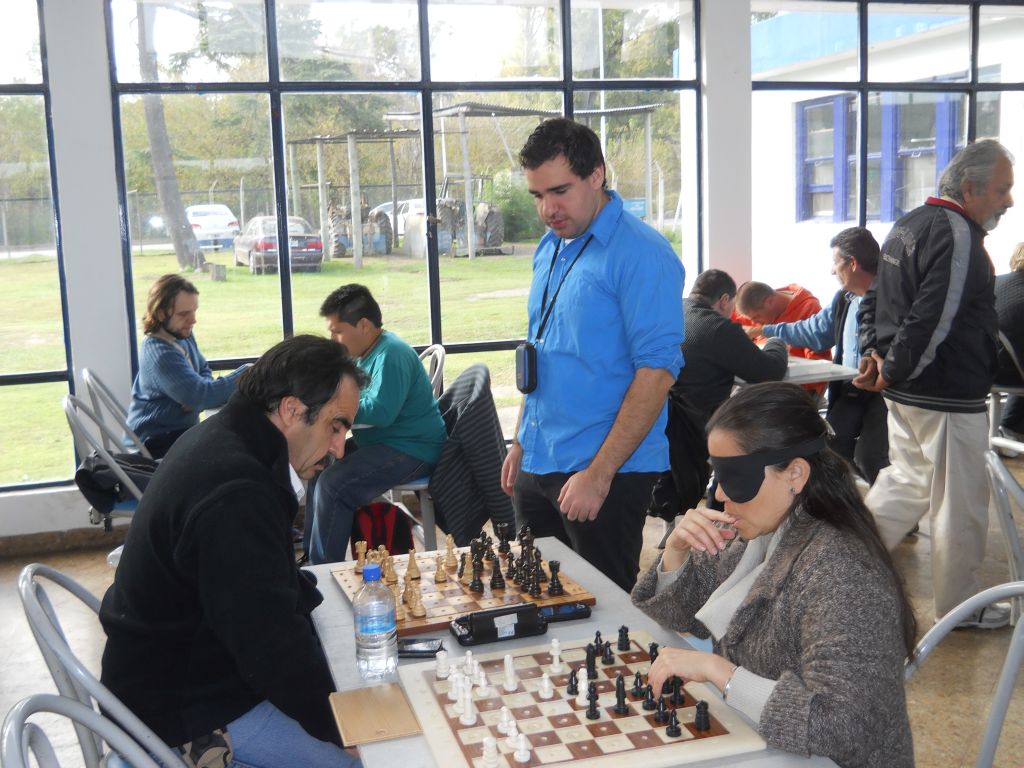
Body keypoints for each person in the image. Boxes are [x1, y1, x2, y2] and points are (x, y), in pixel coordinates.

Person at [100, 335, 365, 767]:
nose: (339, 448)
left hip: (170, 678)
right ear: (291, 410)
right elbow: (271, 649)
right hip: (180, 718)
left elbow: (262, 598)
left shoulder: (226, 438)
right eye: (335, 427)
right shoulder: (238, 491)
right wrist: (345, 728)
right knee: (373, 756)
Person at [632, 382, 915, 768]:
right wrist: (677, 552)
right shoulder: (758, 531)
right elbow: (677, 616)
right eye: (718, 475)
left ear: (795, 473)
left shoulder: (843, 573)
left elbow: (842, 728)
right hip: (760, 742)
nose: (721, 495)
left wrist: (721, 673)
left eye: (735, 478)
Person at [501, 117, 684, 593]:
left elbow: (657, 373)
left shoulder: (642, 253)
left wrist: (599, 475)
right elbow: (539, 350)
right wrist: (521, 441)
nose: (548, 209)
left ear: (597, 175)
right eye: (537, 195)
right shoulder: (551, 247)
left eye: (559, 191)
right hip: (540, 456)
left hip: (604, 470)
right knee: (538, 596)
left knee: (603, 609)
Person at [855, 139, 1015, 627]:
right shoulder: (957, 234)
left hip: (909, 392)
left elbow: (873, 301)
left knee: (905, 484)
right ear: (969, 188)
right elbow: (934, 318)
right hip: (943, 393)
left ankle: (841, 568)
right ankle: (961, 607)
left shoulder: (907, 225)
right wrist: (890, 368)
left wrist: (876, 357)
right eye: (1001, 190)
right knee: (959, 505)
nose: (1008, 201)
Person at [308, 284, 446, 564]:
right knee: (317, 463)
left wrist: (332, 410)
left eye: (337, 331)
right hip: (385, 441)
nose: (333, 339)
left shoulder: (391, 354)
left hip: (413, 449)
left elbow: (381, 412)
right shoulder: (366, 353)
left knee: (333, 485)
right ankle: (312, 561)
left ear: (363, 325)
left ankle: (323, 570)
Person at [650, 269, 788, 520]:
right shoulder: (717, 327)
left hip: (660, 428)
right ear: (725, 300)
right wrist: (775, 341)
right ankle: (722, 511)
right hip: (698, 430)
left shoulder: (670, 312)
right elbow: (770, 371)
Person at [753, 228, 888, 483]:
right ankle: (852, 503)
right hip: (850, 389)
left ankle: (886, 507)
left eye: (835, 263)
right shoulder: (844, 299)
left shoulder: (894, 298)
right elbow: (815, 331)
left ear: (852, 263)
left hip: (884, 392)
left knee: (872, 457)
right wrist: (766, 330)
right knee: (833, 449)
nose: (832, 271)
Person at [125, 274, 247, 458]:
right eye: (183, 314)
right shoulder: (160, 353)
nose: (193, 320)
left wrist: (199, 396)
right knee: (236, 450)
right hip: (154, 445)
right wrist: (247, 372)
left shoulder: (182, 333)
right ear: (161, 314)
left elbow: (203, 370)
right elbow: (204, 395)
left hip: (176, 434)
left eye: (194, 311)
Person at [994, 241, 1024, 443]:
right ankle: (1011, 430)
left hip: (981, 368)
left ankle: (1010, 430)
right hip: (1011, 371)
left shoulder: (995, 283)